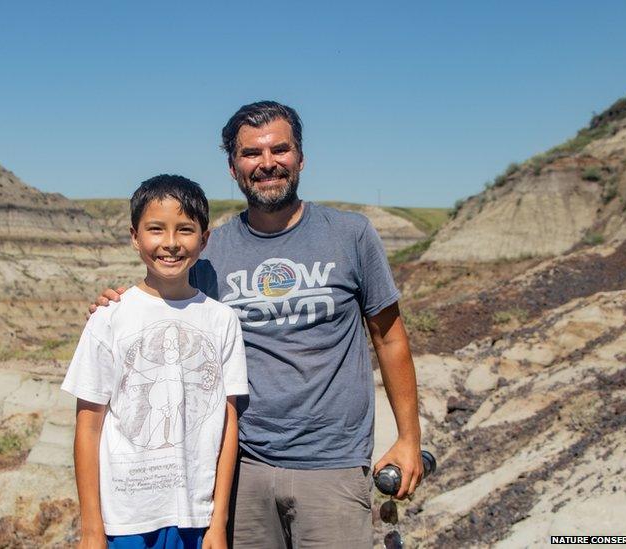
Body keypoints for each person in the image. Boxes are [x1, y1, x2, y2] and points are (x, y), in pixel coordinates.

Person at [91, 101, 422, 549]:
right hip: (243, 468)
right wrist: (116, 303)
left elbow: (389, 336)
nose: (267, 164)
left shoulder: (352, 235)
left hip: (333, 466)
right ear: (233, 167)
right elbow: (167, 302)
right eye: (251, 154)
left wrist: (408, 437)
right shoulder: (212, 253)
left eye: (279, 150)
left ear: (300, 158)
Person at [65, 175, 248, 549]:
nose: (170, 243)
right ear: (135, 237)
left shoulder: (221, 320)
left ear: (204, 238)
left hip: (195, 519)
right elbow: (88, 428)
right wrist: (91, 528)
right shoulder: (110, 318)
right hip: (126, 519)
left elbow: (228, 422)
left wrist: (219, 522)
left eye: (184, 230)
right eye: (155, 229)